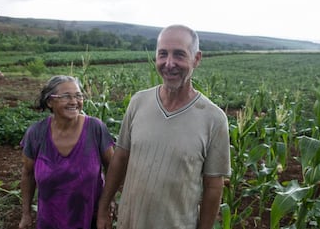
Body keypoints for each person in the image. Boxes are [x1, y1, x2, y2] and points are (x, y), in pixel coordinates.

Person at [97, 25, 231, 229]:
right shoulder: (138, 102)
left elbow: (213, 186)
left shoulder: (213, 119)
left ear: (196, 59)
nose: (169, 63)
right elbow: (120, 158)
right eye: (162, 54)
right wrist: (104, 207)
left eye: (179, 54)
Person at [18, 75, 115, 229]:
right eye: (66, 97)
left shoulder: (95, 128)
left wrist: (107, 207)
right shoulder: (36, 133)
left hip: (91, 218)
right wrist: (26, 213)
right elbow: (27, 174)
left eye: (78, 96)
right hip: (50, 220)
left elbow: (113, 168)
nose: (74, 102)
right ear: (50, 101)